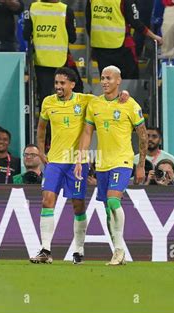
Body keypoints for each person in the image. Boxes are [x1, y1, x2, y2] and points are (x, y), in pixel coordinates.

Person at [29, 67, 130, 265]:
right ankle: (46, 250)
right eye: (56, 83)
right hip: (55, 161)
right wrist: (41, 151)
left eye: (62, 83)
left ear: (72, 84)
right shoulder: (48, 102)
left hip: (77, 161)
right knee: (47, 200)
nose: (58, 86)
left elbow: (110, 97)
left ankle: (78, 249)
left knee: (77, 204)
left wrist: (125, 93)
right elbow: (41, 128)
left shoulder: (86, 100)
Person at [74, 65, 148, 266]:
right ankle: (117, 250)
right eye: (103, 78)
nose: (105, 82)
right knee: (108, 209)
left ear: (118, 81)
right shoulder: (95, 104)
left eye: (109, 78)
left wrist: (140, 164)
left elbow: (143, 134)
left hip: (122, 161)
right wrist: (81, 158)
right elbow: (88, 133)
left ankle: (120, 250)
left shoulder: (130, 104)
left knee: (114, 202)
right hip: (102, 164)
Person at [23, 0, 83, 107]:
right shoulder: (65, 10)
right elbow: (73, 38)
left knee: (44, 96)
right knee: (73, 89)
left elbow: (26, 34)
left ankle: (45, 123)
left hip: (40, 61)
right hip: (61, 60)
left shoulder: (33, 8)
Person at [85, 0, 163, 79]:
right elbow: (136, 23)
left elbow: (88, 22)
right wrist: (154, 36)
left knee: (107, 81)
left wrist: (93, 43)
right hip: (120, 46)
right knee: (130, 78)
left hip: (100, 46)